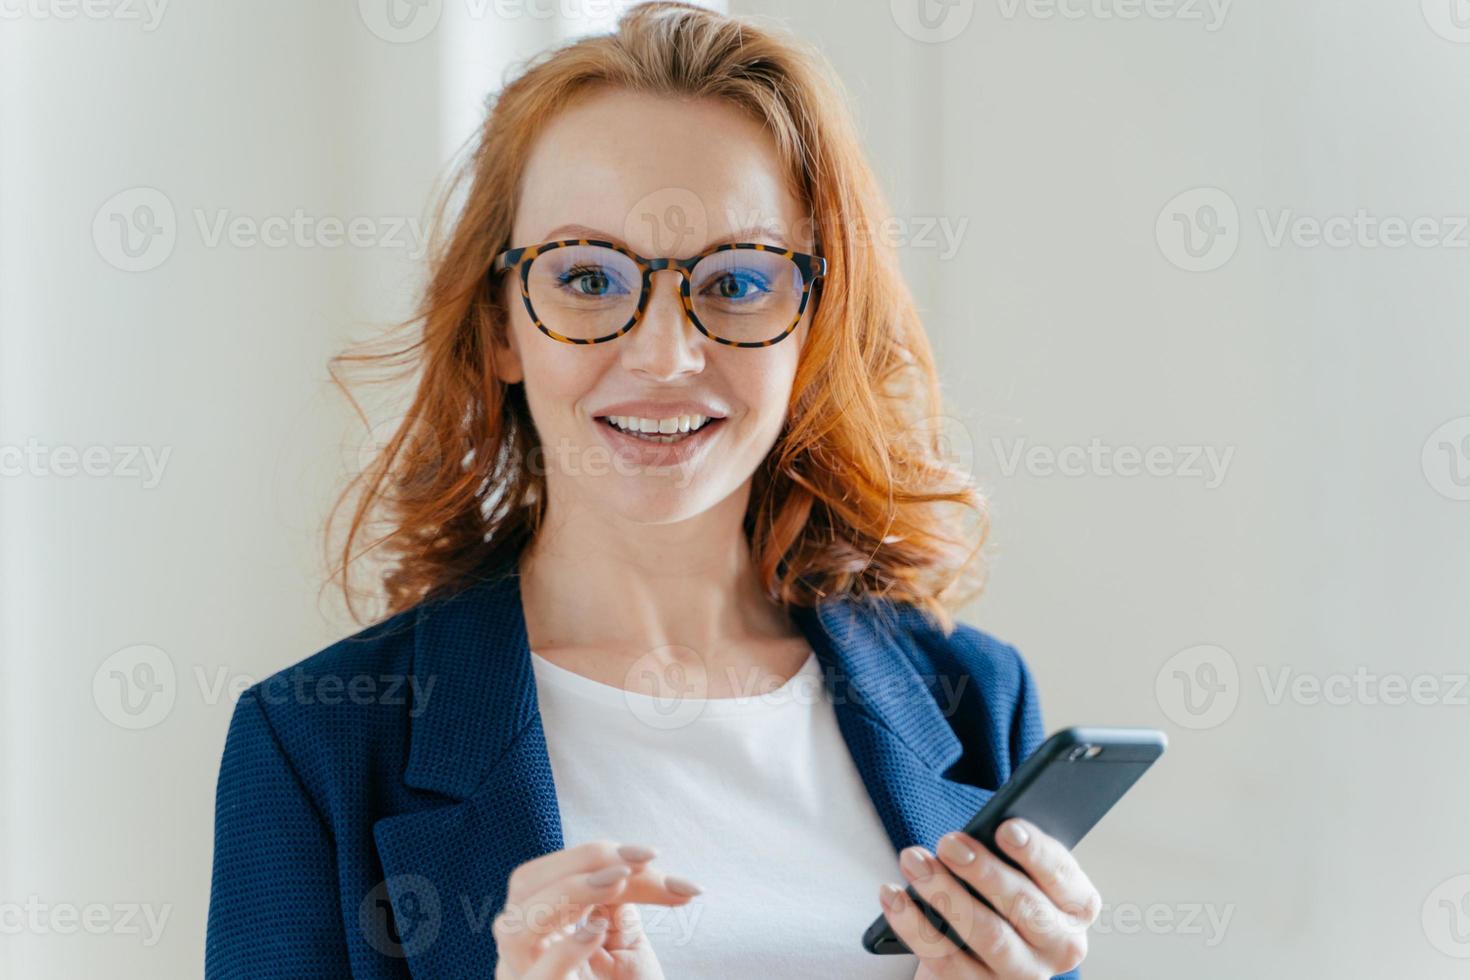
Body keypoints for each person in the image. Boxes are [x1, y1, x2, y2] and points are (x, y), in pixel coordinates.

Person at [205, 3, 1100, 977]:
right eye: (587, 278)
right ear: (502, 327)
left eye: (741, 281)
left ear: (815, 325)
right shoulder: (316, 742)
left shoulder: (975, 699)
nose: (666, 354)